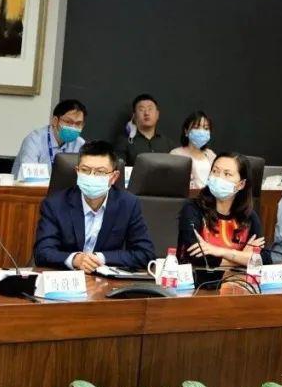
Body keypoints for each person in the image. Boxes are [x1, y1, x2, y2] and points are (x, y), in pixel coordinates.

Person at [34, 141, 155, 272]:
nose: (91, 176)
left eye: (100, 172)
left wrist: (100, 258)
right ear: (77, 171)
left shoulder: (128, 204)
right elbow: (42, 252)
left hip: (107, 281)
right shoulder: (55, 204)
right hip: (68, 278)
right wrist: (75, 259)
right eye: (85, 170)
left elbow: (145, 254)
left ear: (114, 177)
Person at [176, 153, 267, 267]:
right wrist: (243, 258)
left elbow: (265, 258)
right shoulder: (193, 209)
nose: (219, 177)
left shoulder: (248, 216)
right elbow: (195, 257)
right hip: (199, 278)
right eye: (215, 171)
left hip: (239, 278)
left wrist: (220, 251)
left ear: (241, 184)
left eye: (227, 174)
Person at [12, 99, 87, 175]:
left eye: (78, 124)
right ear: (55, 121)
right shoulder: (34, 140)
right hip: (27, 182)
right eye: (68, 122)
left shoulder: (80, 144)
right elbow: (28, 175)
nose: (73, 127)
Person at [113, 94, 172, 166]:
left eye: (150, 109)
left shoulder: (167, 143)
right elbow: (119, 167)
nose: (146, 113)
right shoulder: (124, 141)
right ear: (134, 116)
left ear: (157, 114)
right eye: (141, 109)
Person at [169, 111, 217, 190]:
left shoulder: (210, 154)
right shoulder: (176, 154)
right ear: (186, 131)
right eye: (196, 127)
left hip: (208, 196)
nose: (201, 131)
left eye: (206, 128)